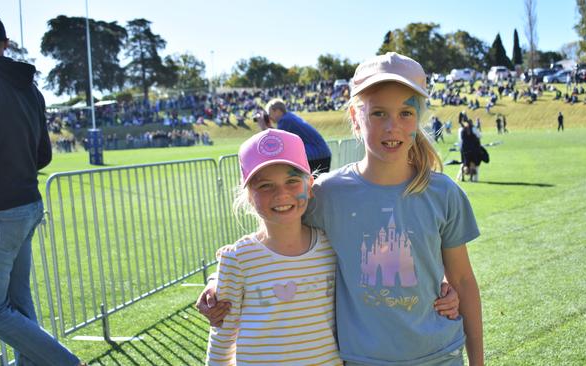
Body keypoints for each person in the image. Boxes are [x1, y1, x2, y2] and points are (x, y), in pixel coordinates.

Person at [199, 52, 482, 365]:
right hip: (361, 359)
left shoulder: (443, 193)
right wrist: (218, 284)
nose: (393, 127)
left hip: (440, 355)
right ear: (355, 117)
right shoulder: (326, 194)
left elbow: (464, 281)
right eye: (378, 114)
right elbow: (270, 239)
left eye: (405, 113)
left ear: (420, 117)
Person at [205, 129, 342, 365]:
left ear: (309, 185)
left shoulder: (331, 246)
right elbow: (222, 335)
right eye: (266, 186)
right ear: (247, 195)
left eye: (291, 181)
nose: (281, 194)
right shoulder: (237, 258)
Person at [0, 16, 84, 366]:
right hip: (28, 204)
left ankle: (66, 362)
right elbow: (43, 154)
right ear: (4, 44)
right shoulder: (30, 88)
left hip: (3, 212)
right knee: (17, 302)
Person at [261, 98, 333, 174]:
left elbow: (277, 142)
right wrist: (268, 127)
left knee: (308, 184)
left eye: (269, 114)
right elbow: (279, 136)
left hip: (315, 156)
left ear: (278, 111)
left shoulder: (285, 121)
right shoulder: (289, 117)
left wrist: (264, 127)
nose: (269, 117)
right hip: (321, 154)